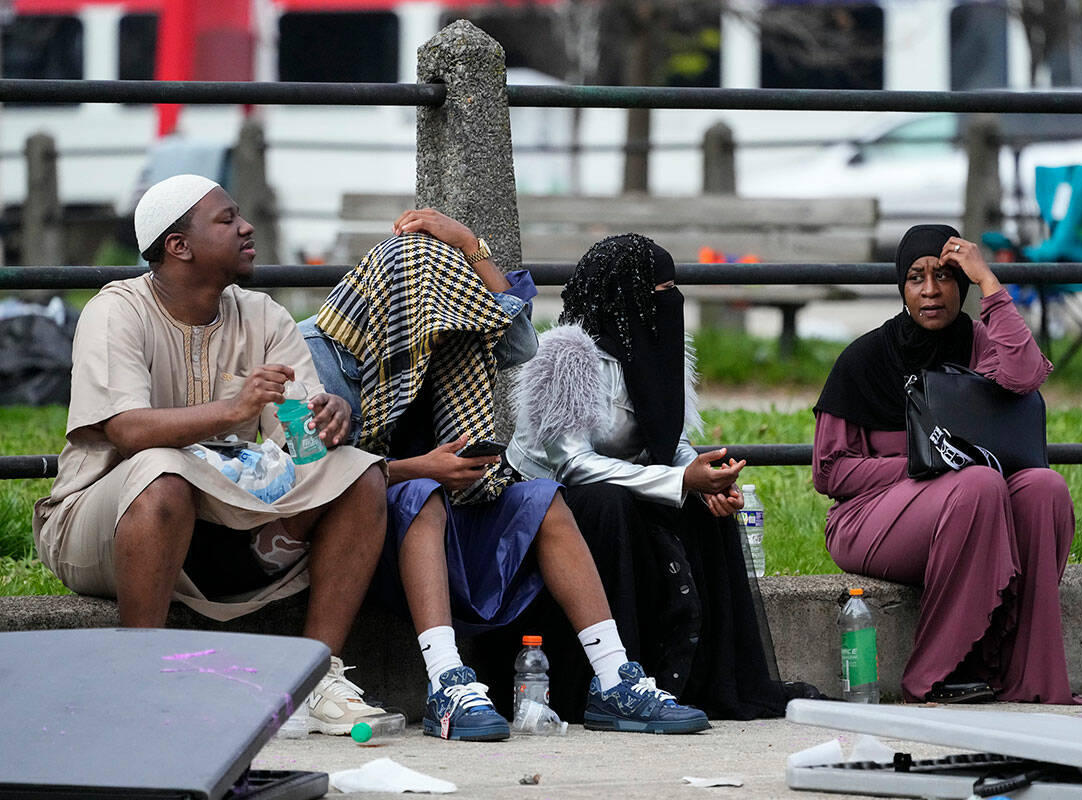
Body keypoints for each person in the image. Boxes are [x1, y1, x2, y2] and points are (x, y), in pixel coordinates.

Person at [302, 210, 710, 739]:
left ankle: (614, 679)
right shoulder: (316, 351)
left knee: (542, 497)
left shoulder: (444, 341)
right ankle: (446, 682)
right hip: (371, 527)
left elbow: (519, 343)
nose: (449, 322)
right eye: (438, 306)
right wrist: (421, 468)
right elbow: (310, 472)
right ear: (398, 299)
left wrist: (474, 247)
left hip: (454, 508)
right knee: (423, 493)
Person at [32, 174, 393, 734]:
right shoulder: (115, 311)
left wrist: (326, 425)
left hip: (220, 526)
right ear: (178, 246)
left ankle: (314, 677)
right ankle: (137, 679)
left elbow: (297, 443)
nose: (246, 227)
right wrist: (231, 410)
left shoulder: (264, 316)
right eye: (226, 221)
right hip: (99, 525)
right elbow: (126, 429)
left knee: (359, 474)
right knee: (161, 471)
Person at [507, 233, 822, 720]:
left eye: (673, 289)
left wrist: (705, 479)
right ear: (623, 298)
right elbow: (572, 465)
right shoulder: (565, 357)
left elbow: (666, 439)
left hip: (621, 489)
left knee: (702, 509)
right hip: (551, 506)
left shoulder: (656, 352)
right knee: (609, 503)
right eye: (658, 291)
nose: (669, 302)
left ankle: (700, 679)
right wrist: (678, 483)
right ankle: (609, 682)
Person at [812, 223, 1082, 705]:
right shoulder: (866, 358)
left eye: (945, 276)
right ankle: (935, 673)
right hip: (868, 517)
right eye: (916, 278)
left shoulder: (980, 344)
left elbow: (1026, 375)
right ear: (901, 287)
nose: (930, 290)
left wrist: (991, 282)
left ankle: (1024, 675)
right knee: (978, 484)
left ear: (962, 285)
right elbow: (831, 473)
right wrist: (926, 465)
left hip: (971, 507)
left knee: (1044, 488)